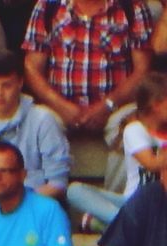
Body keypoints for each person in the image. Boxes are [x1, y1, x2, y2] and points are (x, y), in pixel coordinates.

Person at [22, 0, 152, 133]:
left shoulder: (132, 6)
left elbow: (142, 69)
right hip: (59, 110)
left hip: (116, 109)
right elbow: (32, 66)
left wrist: (108, 105)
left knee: (135, 131)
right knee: (38, 123)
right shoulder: (48, 5)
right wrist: (60, 106)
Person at [67, 71, 167, 230]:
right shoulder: (134, 130)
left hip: (159, 204)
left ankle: (105, 225)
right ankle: (128, 225)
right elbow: (152, 164)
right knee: (74, 190)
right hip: (133, 201)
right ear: (156, 105)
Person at [0, 51, 70, 204]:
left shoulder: (44, 120)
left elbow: (57, 183)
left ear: (20, 83)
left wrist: (16, 203)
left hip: (37, 205)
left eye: (6, 85)